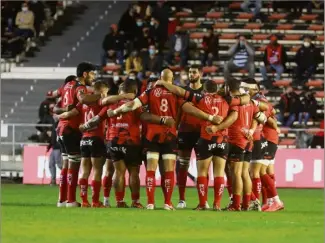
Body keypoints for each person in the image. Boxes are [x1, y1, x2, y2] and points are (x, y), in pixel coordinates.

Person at [107, 69, 180, 210]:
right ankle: (165, 203)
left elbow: (113, 103)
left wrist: (115, 111)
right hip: (161, 136)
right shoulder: (177, 93)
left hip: (145, 137)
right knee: (167, 171)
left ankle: (147, 203)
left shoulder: (147, 94)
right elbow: (186, 108)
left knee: (146, 170)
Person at [53, 62, 100, 208]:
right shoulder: (80, 86)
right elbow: (83, 99)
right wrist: (100, 96)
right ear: (85, 74)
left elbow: (55, 106)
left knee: (66, 165)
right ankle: (71, 200)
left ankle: (62, 199)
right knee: (73, 164)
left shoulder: (67, 86)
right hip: (71, 129)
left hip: (61, 128)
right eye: (92, 73)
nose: (94, 77)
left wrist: (63, 112)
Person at [58, 81, 110, 208]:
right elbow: (102, 117)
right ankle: (95, 201)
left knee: (85, 171)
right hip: (96, 138)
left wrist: (62, 114)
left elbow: (70, 113)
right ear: (103, 91)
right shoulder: (101, 102)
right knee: (97, 170)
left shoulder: (83, 104)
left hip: (84, 140)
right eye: (106, 92)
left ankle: (84, 201)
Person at [46, 115, 62, 186]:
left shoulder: (60, 124)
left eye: (55, 115)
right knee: (51, 164)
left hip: (58, 148)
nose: (54, 116)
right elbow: (52, 137)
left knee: (59, 164)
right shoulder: (54, 125)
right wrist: (49, 146)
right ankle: (53, 180)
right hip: (53, 148)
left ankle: (67, 177)